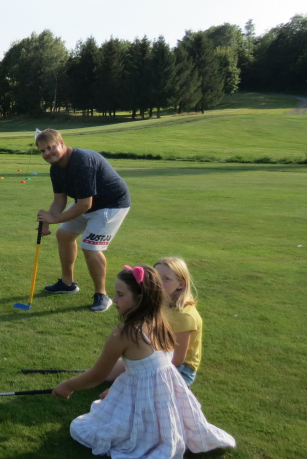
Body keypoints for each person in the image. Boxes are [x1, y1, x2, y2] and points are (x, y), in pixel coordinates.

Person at [52, 265, 235, 458]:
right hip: (165, 396)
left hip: (143, 395)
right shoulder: (160, 321)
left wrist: (67, 385)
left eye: (121, 294)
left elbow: (98, 374)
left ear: (140, 299)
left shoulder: (123, 334)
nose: (114, 299)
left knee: (82, 428)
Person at [35, 129, 130, 312]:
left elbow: (85, 204)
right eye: (42, 151)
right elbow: (59, 200)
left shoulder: (81, 162)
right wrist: (48, 219)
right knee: (64, 235)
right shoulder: (55, 168)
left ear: (61, 143)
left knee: (90, 246)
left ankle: (102, 295)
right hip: (89, 204)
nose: (47, 153)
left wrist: (53, 219)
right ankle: (67, 283)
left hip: (112, 204)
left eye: (50, 147)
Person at [156, 257, 203, 386]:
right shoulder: (162, 301)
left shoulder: (184, 316)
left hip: (181, 370)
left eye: (166, 279)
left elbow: (177, 359)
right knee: (111, 369)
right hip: (159, 356)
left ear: (181, 284)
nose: (158, 282)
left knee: (138, 383)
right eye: (156, 276)